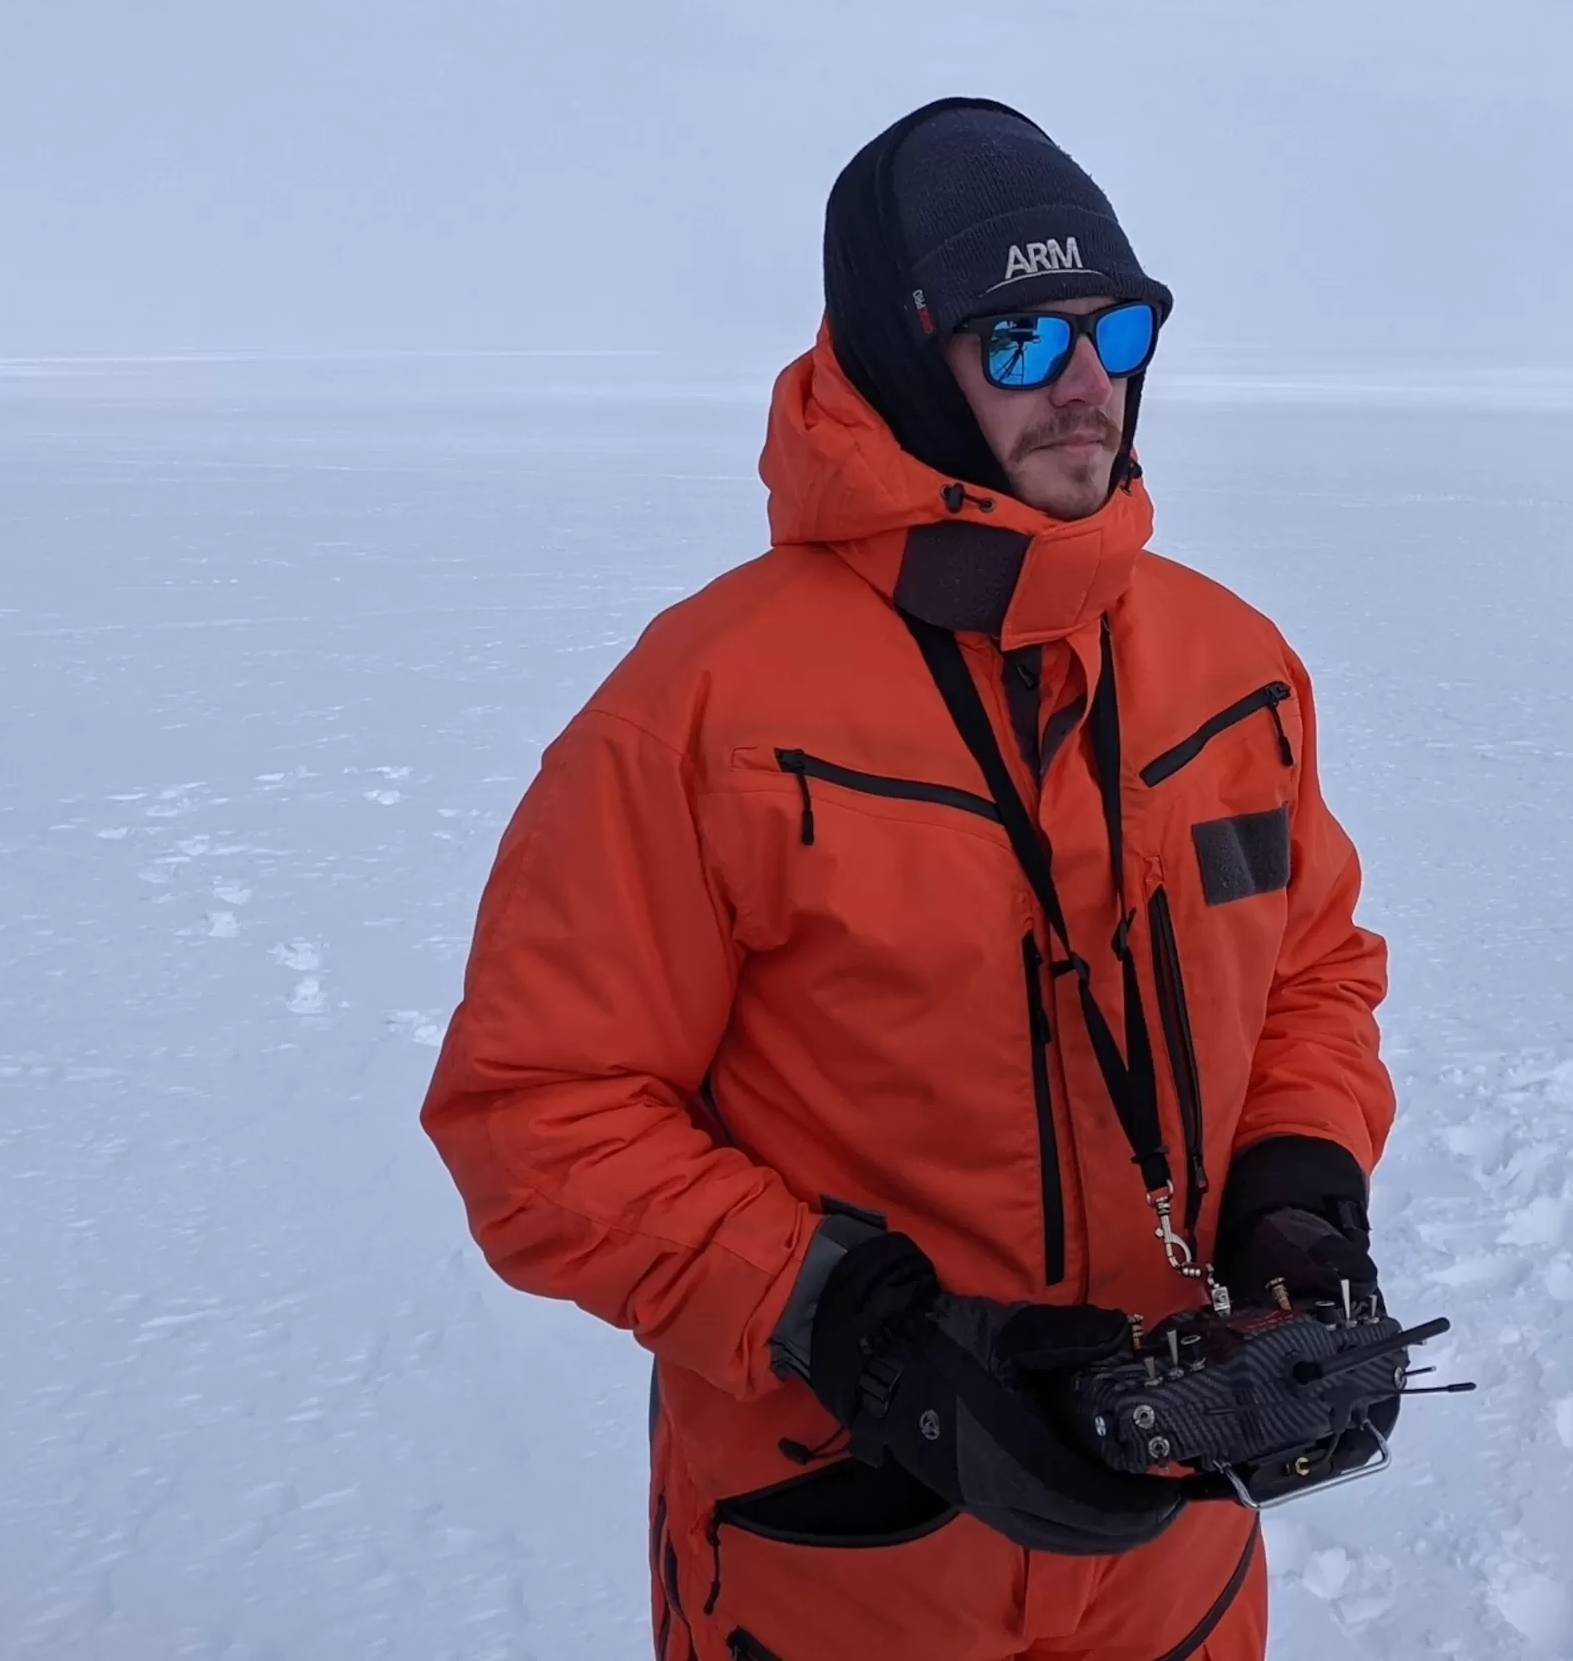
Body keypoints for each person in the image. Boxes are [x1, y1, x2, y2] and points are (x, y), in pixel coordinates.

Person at [422, 98, 1395, 1661]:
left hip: (1168, 1523)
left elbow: (1311, 975)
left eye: (1116, 329)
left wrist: (1293, 1181)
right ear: (901, 356)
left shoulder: (1236, 668)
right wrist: (862, 1332)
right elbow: (537, 1115)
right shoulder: (705, 710)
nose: (1086, 388)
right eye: (1020, 342)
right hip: (844, 1547)